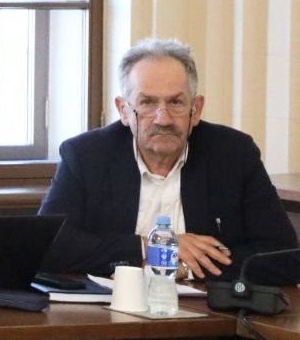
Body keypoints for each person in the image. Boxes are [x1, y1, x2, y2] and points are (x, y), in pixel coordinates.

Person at [40, 37, 300, 286]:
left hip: (207, 312)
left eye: (176, 102)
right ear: (124, 111)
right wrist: (153, 247)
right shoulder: (86, 155)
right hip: (108, 310)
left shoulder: (233, 154)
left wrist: (185, 268)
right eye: (147, 102)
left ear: (196, 110)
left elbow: (285, 255)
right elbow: (49, 247)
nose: (163, 119)